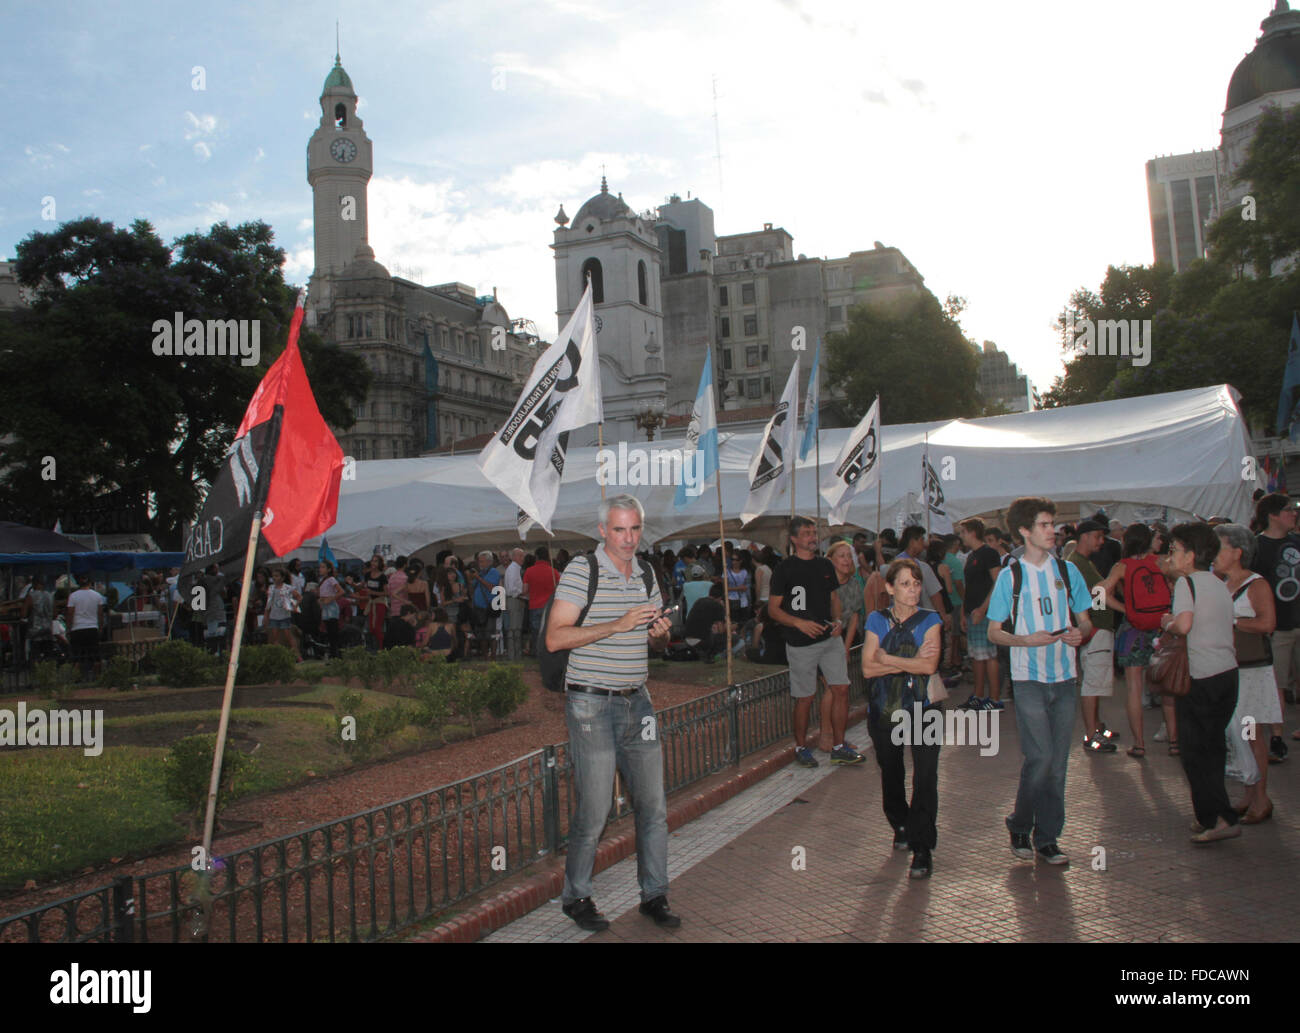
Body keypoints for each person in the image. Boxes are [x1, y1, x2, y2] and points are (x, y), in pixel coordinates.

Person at [545, 494, 678, 932]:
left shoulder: (646, 572)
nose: (628, 538)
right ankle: (576, 896)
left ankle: (654, 894)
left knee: (653, 804)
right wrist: (616, 625)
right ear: (602, 530)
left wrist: (659, 634)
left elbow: (654, 642)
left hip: (637, 699)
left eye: (635, 529)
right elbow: (555, 638)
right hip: (590, 702)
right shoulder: (583, 570)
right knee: (597, 806)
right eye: (620, 529)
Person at [987, 496, 1093, 868]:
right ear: (1025, 531)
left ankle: (1047, 837)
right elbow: (994, 632)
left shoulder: (1067, 572)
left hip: (1065, 676)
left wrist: (1081, 633)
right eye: (1045, 525)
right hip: (1028, 677)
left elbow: (1085, 620)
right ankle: (1019, 823)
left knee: (1058, 763)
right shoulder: (1010, 576)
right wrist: (1025, 640)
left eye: (1053, 524)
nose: (1053, 531)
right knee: (1041, 758)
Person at [861, 557, 943, 878]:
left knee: (925, 777)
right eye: (905, 584)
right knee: (891, 772)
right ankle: (901, 822)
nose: (913, 590)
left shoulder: (930, 619)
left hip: (924, 708)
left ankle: (922, 847)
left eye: (917, 583)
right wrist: (906, 661)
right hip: (886, 708)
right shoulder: (875, 620)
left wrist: (887, 658)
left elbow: (928, 667)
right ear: (890, 587)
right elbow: (867, 668)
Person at [1160, 522, 1241, 843]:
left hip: (1201, 677)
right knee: (1214, 748)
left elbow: (1184, 624)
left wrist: (1167, 621)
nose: (1171, 556)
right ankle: (1210, 813)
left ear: (1190, 555)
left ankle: (1219, 819)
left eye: (1174, 550)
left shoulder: (1187, 584)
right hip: (1227, 674)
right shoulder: (1219, 583)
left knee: (1195, 752)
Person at [769, 516, 863, 767]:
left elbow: (834, 598)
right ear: (795, 539)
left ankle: (839, 746)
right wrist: (798, 623)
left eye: (814, 532)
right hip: (801, 643)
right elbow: (773, 609)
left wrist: (837, 620)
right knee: (805, 696)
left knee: (841, 688)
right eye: (808, 533)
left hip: (829, 637)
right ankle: (800, 746)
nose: (813, 537)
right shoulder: (784, 569)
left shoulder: (824, 565)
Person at [1212, 523, 1277, 824]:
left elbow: (1267, 624)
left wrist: (1233, 623)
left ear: (1237, 552)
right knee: (1237, 733)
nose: (1214, 554)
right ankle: (1250, 792)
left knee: (1252, 734)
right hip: (1231, 668)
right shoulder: (1221, 584)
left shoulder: (1256, 584)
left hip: (1252, 671)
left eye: (1220, 547)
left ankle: (1261, 797)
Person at [1099, 523, 1176, 759]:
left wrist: (1126, 609)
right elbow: (1174, 587)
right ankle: (1174, 741)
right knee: (1167, 688)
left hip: (1133, 630)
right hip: (1162, 628)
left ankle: (1139, 744)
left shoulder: (1122, 566)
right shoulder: (1161, 563)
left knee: (1134, 688)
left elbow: (1099, 592)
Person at [1250, 492, 1297, 762]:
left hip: (1297, 621)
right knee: (1277, 684)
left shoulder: (1298, 542)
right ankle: (1277, 736)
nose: (1294, 513)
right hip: (1276, 627)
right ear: (1273, 515)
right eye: (1289, 509)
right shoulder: (1257, 547)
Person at [1068, 519, 1122, 752]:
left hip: (1097, 627)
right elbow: (1096, 594)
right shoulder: (1077, 563)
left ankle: (1096, 727)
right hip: (1095, 629)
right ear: (1086, 536)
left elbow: (1095, 596)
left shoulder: (1082, 562)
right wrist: (1114, 578)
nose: (1101, 542)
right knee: (1092, 684)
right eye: (1098, 537)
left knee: (1095, 682)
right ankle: (1092, 734)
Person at [959, 518, 1003, 711]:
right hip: (972, 612)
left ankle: (994, 698)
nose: (961, 536)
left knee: (989, 655)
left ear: (972, 532)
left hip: (984, 613)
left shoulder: (989, 553)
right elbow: (968, 587)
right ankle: (978, 695)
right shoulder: (971, 556)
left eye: (963, 532)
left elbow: (997, 582)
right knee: (977, 656)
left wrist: (983, 608)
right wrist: (963, 612)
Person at [65, 574, 106, 680]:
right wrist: (100, 627)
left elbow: (70, 613)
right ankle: (98, 677)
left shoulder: (73, 596)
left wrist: (68, 628)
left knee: (77, 657)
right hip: (92, 628)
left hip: (77, 629)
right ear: (90, 583)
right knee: (96, 656)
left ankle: (76, 679)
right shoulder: (97, 596)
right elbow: (100, 614)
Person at [522, 546, 559, 657]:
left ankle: (537, 653)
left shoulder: (529, 571)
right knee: (548, 631)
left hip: (534, 605)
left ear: (536, 557)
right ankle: (548, 653)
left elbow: (524, 590)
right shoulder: (554, 572)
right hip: (550, 606)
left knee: (536, 631)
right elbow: (559, 589)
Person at [684, 583, 728, 661]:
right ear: (720, 597)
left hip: (687, 640)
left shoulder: (699, 601)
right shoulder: (717, 606)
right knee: (724, 636)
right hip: (702, 642)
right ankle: (714, 655)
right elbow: (721, 630)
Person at [265, 568, 301, 657]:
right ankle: (277, 656)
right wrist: (266, 615)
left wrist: (295, 606)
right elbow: (269, 602)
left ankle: (297, 655)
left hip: (284, 615)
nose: (274, 578)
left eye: (277, 576)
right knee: (274, 637)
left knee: (288, 636)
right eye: (273, 576)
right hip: (274, 615)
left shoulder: (287, 588)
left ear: (282, 578)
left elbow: (299, 597)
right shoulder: (271, 588)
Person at [503, 547, 526, 661]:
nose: (523, 558)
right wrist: (522, 592)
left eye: (523, 556)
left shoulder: (515, 568)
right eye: (520, 556)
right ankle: (513, 656)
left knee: (516, 629)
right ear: (514, 557)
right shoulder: (513, 569)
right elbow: (512, 589)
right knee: (514, 629)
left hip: (516, 599)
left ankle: (516, 655)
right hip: (514, 600)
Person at [318, 561, 343, 659]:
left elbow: (341, 591)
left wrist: (331, 598)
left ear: (328, 569)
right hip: (325, 607)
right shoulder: (322, 580)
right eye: (320, 567)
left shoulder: (331, 579)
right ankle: (333, 654)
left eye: (323, 567)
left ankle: (336, 654)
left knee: (333, 632)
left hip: (331, 607)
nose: (320, 569)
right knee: (329, 632)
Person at [725, 550, 752, 622]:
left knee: (743, 622)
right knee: (734, 622)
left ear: (741, 561)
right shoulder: (726, 572)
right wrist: (738, 588)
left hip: (744, 601)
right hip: (731, 601)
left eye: (736, 560)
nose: (734, 562)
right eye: (732, 559)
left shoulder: (745, 572)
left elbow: (747, 587)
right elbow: (724, 588)